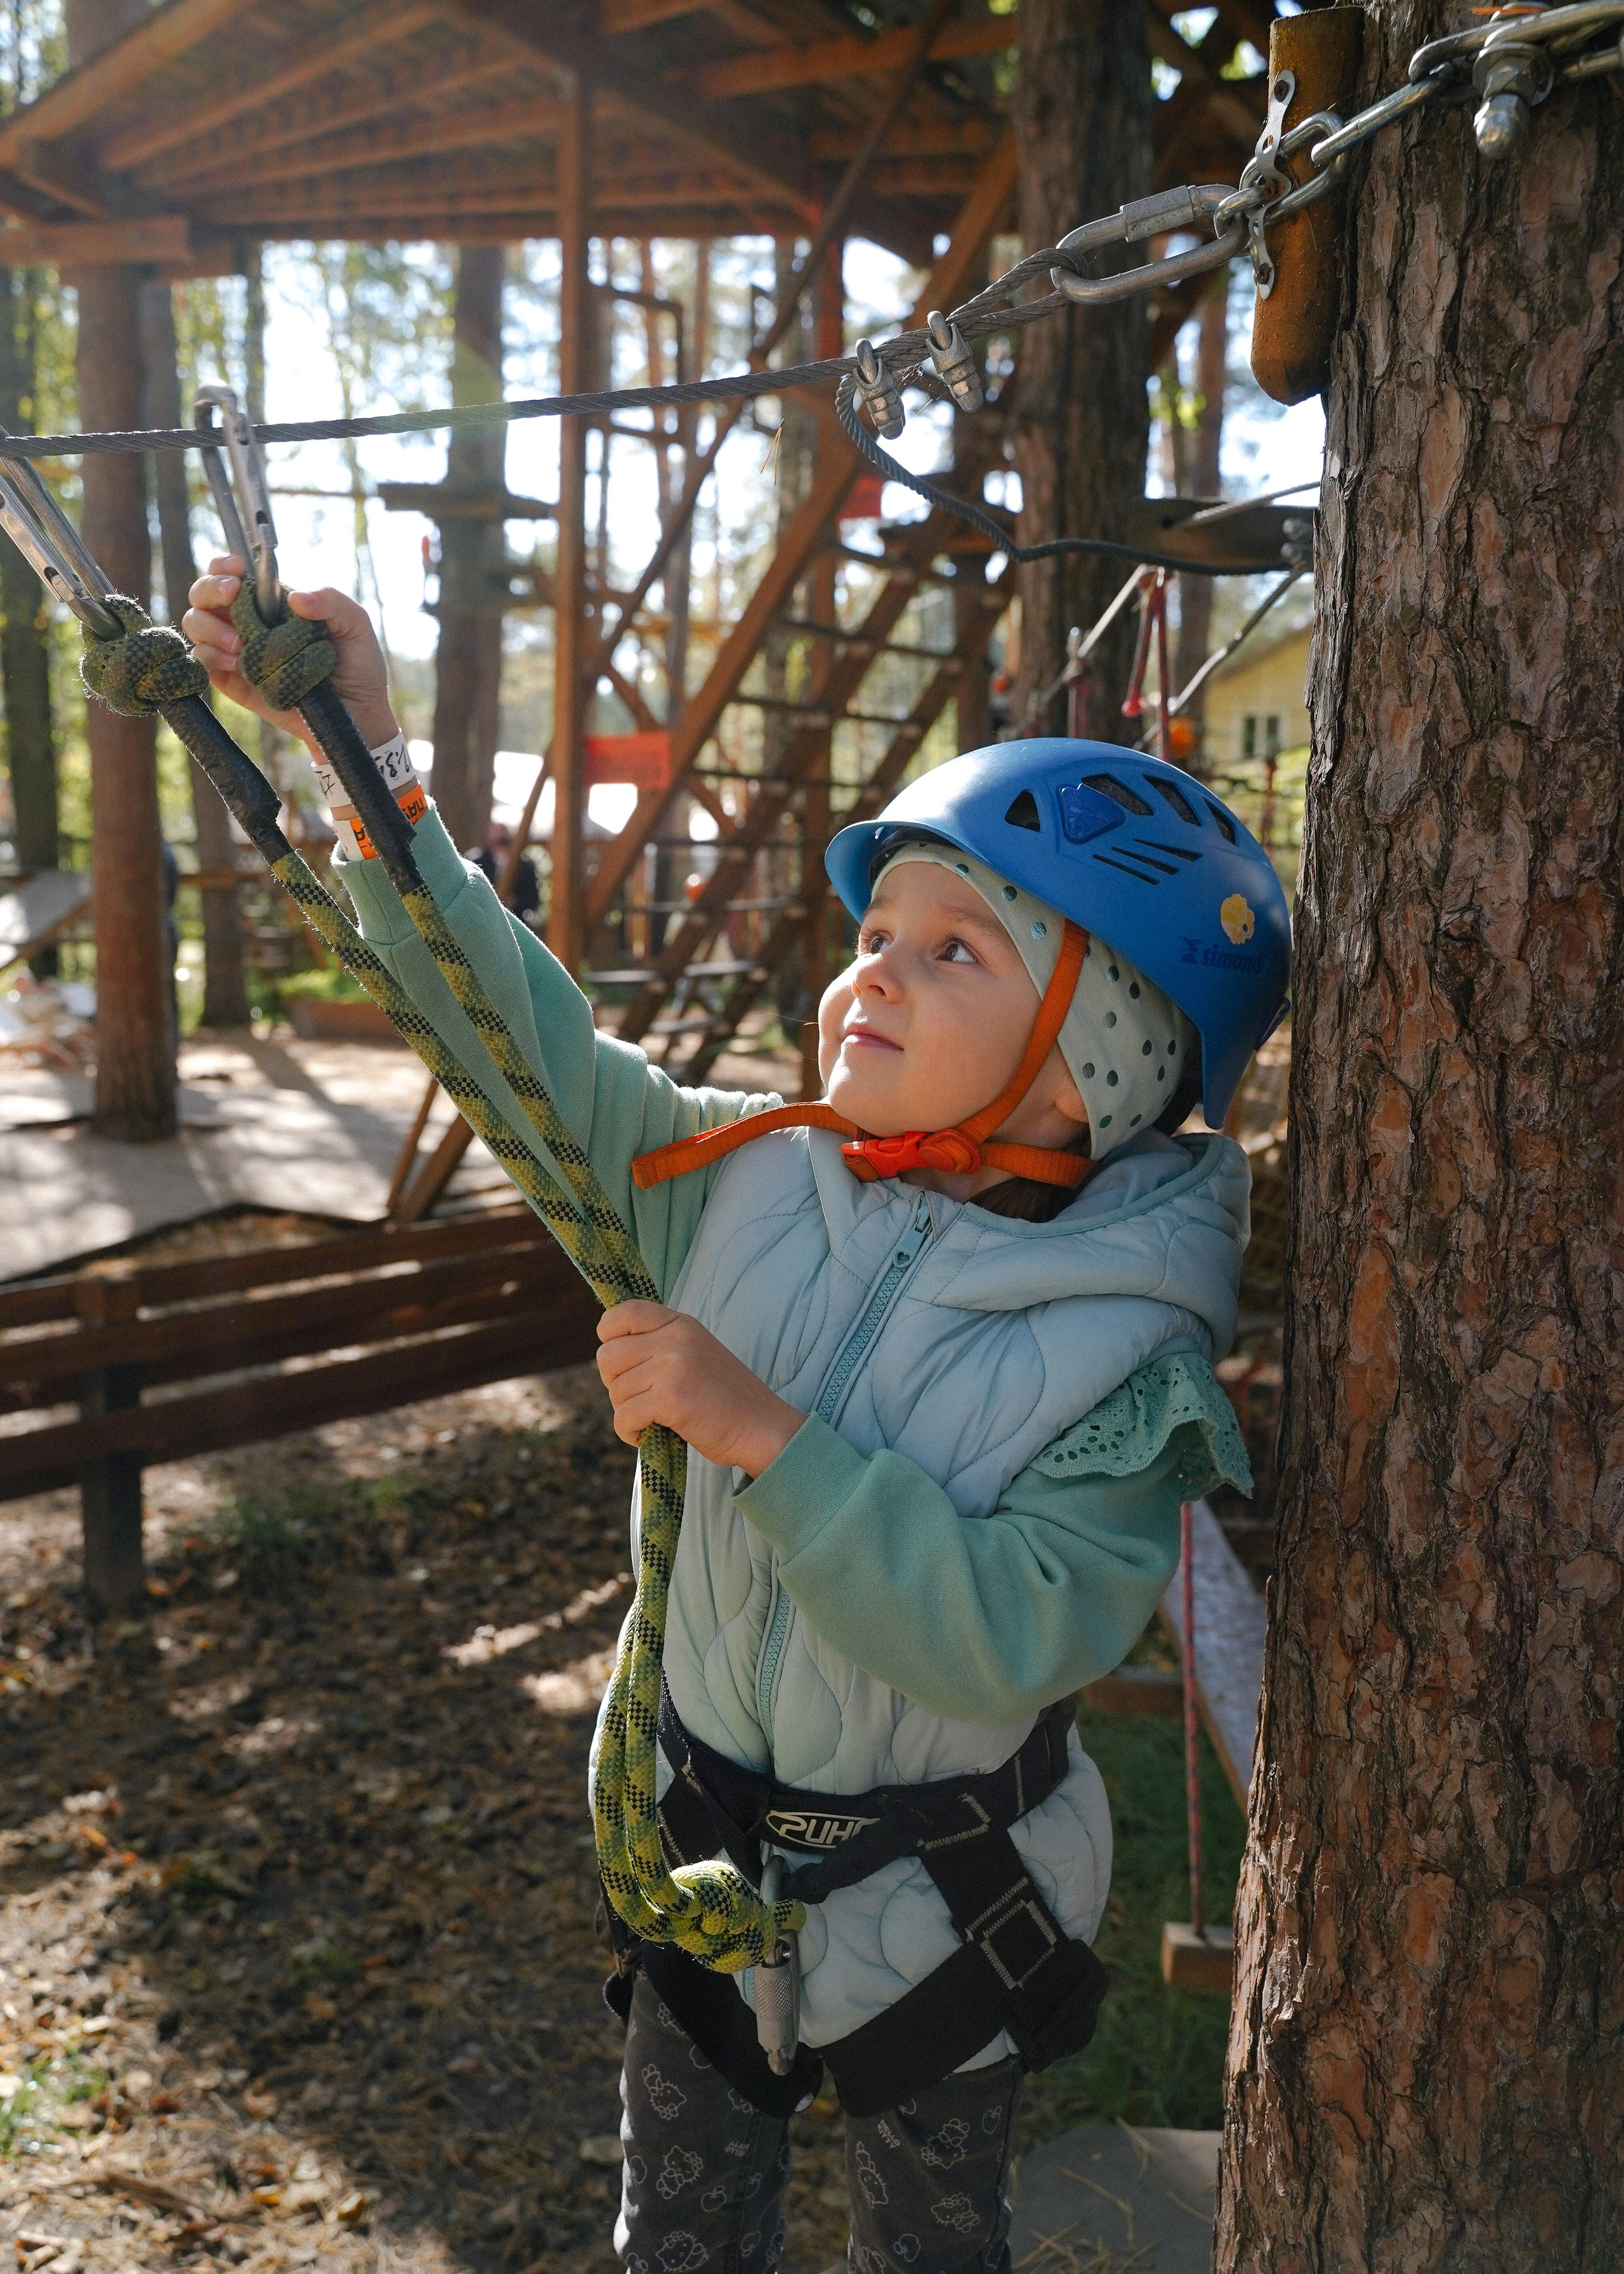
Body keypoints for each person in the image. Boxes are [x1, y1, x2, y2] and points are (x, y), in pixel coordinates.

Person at [185, 556, 1289, 2274]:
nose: (872, 979)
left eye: (954, 951)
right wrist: (366, 754)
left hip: (941, 1908)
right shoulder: (746, 1177)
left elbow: (1009, 1635)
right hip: (699, 1866)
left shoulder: (1132, 1369)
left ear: (1101, 1068)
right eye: (872, 937)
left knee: (930, 2243)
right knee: (678, 2235)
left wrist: (767, 1437)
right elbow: (523, 1049)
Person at [471, 818, 540, 924]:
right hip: (483, 921)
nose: (501, 835)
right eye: (498, 830)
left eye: (504, 831)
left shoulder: (524, 866)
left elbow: (533, 900)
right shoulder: (477, 862)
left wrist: (515, 902)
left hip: (514, 922)